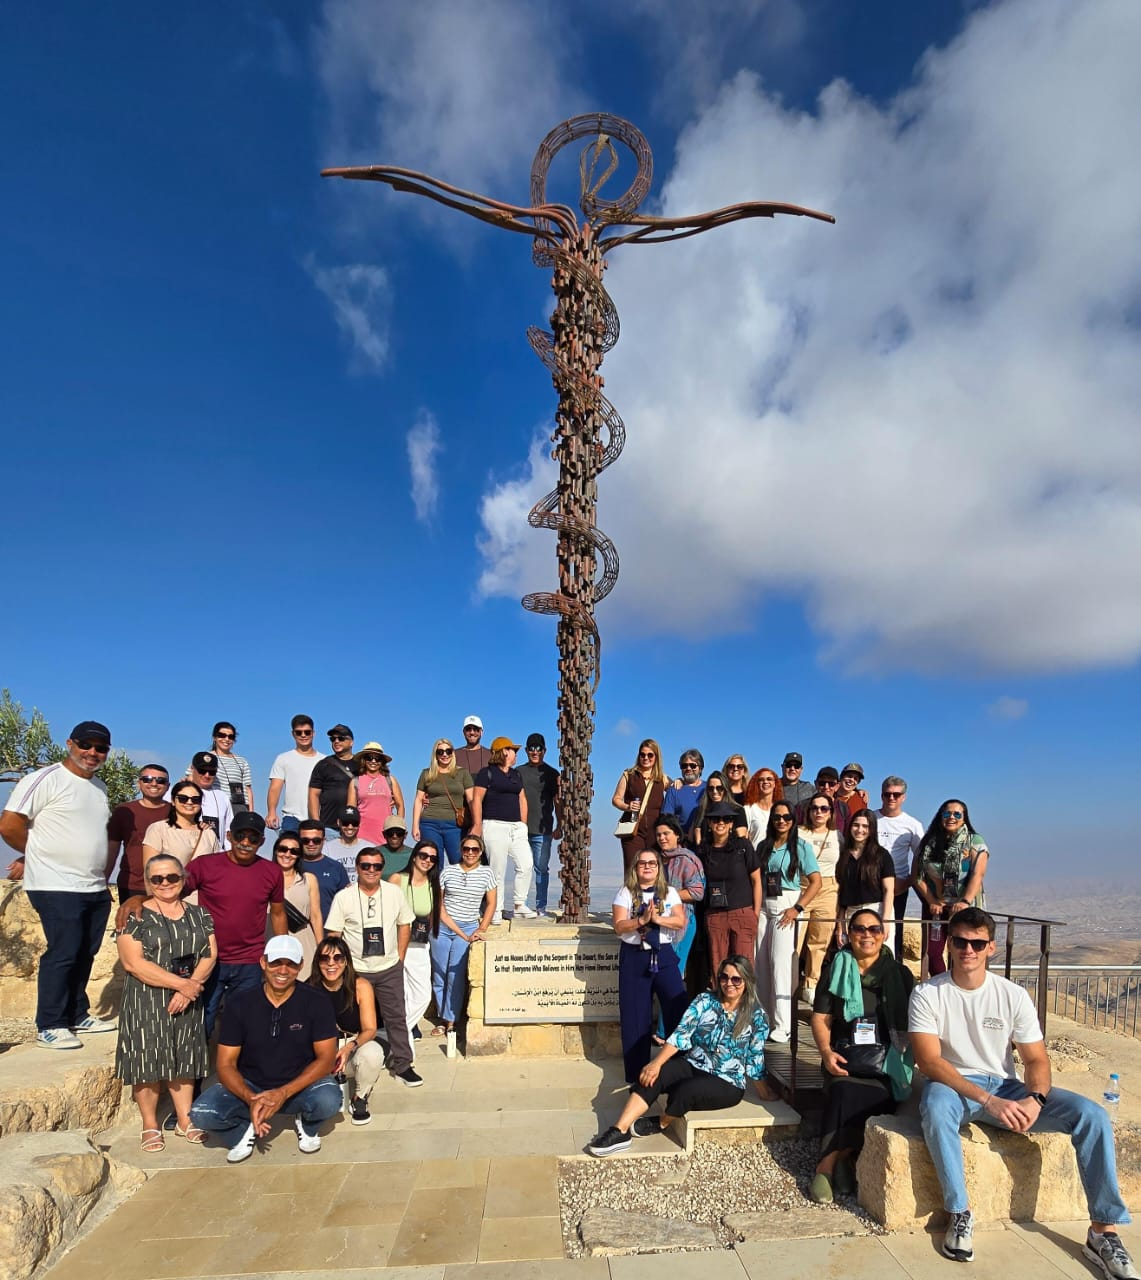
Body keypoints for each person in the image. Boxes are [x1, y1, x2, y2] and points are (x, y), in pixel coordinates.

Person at [910, 908, 1136, 1274]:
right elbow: (929, 1062)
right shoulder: (927, 994)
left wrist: (1035, 1100)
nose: (969, 949)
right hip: (955, 1087)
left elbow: (1036, 1061)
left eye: (977, 943)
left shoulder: (1012, 995)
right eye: (961, 941)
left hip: (1007, 1086)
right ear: (949, 944)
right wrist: (988, 1101)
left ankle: (1103, 1231)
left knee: (1091, 1115)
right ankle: (959, 1212)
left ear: (991, 948)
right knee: (935, 1108)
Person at [1, 720, 118, 1050]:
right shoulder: (44, 779)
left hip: (93, 885)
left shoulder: (99, 787)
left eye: (101, 748)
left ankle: (77, 1013)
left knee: (85, 951)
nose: (92, 753)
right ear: (70, 743)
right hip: (55, 883)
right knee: (64, 950)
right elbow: (10, 825)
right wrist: (34, 855)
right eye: (86, 745)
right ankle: (50, 1023)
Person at [587, 955, 775, 1156]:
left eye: (736, 979)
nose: (729, 983)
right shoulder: (705, 1000)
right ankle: (619, 1131)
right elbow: (680, 1035)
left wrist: (764, 1093)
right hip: (695, 1063)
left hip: (727, 1080)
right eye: (724, 977)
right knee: (652, 1075)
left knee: (686, 1091)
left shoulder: (757, 1016)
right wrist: (656, 1063)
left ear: (747, 981)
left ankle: (661, 1122)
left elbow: (755, 1060)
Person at [189, 935, 341, 1164]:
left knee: (330, 1099)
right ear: (263, 963)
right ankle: (243, 1130)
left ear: (300, 966)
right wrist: (251, 1099)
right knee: (201, 1113)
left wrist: (283, 1093)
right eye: (276, 962)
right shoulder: (240, 1002)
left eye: (290, 964)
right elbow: (225, 1063)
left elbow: (327, 1058)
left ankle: (307, 1122)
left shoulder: (316, 1001)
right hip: (252, 1085)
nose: (283, 970)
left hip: (299, 1084)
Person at [808, 908, 913, 1203]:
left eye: (874, 929)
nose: (867, 935)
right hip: (844, 1056)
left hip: (885, 1063)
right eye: (859, 929)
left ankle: (845, 1158)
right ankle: (826, 1168)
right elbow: (821, 1018)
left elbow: (916, 1019)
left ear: (883, 934)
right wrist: (826, 1053)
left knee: (879, 1098)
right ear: (848, 933)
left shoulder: (899, 975)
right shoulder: (836, 969)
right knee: (842, 1091)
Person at [115, 854, 217, 1151]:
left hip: (188, 998)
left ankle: (185, 1119)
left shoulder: (200, 914)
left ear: (183, 879)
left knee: (185, 1058)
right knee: (146, 1062)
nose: (165, 883)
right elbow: (132, 963)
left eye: (171, 877)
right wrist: (182, 985)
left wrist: (190, 988)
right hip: (147, 999)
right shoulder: (133, 915)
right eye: (157, 879)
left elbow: (210, 954)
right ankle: (149, 1124)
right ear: (148, 882)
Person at [181, 813, 287, 1037]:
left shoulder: (272, 872)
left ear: (262, 842)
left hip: (250, 961)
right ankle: (198, 1071)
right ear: (229, 835)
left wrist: (282, 954)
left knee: (244, 1023)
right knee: (203, 1021)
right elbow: (171, 892)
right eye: (240, 835)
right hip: (209, 959)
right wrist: (138, 900)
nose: (246, 843)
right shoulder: (204, 865)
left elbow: (277, 913)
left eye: (253, 838)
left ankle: (239, 1071)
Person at [324, 847, 422, 1087]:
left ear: (382, 869)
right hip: (355, 970)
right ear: (357, 868)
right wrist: (336, 966)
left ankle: (403, 1065)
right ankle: (336, 1063)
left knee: (396, 1017)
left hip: (388, 967)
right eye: (366, 866)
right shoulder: (344, 897)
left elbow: (405, 924)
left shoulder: (393, 892)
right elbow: (334, 934)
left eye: (376, 866)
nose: (371, 870)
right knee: (346, 1017)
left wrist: (399, 957)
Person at [613, 846, 689, 1084]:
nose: (647, 866)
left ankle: (678, 1067)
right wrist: (641, 921)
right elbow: (619, 925)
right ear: (636, 868)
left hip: (663, 955)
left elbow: (679, 921)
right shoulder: (626, 892)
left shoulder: (669, 893)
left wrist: (657, 919)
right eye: (642, 863)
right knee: (635, 1017)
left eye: (652, 863)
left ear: (659, 868)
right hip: (635, 956)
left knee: (678, 1007)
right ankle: (637, 1077)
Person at [755, 802, 821, 1043]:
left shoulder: (800, 847)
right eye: (777, 817)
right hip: (763, 905)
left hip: (787, 904)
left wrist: (798, 908)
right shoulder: (763, 847)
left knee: (780, 964)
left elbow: (815, 881)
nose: (781, 821)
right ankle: (763, 1020)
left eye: (786, 817)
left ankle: (783, 1024)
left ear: (793, 820)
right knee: (760, 965)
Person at [308, 937, 385, 1126]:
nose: (331, 964)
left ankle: (359, 1098)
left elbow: (370, 1029)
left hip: (351, 1045)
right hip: (321, 1051)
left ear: (346, 961)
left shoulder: (361, 986)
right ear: (318, 962)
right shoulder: (308, 989)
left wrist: (349, 1047)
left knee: (373, 1053)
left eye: (338, 958)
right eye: (325, 959)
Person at [913, 799, 990, 977]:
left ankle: (963, 984)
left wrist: (964, 901)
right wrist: (932, 900)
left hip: (965, 907)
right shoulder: (928, 844)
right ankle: (944, 983)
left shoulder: (974, 841)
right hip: (936, 908)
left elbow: (977, 874)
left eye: (957, 814)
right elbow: (916, 876)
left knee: (964, 950)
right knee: (932, 952)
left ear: (964, 818)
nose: (951, 817)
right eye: (947, 813)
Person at [431, 834, 497, 1037]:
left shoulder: (487, 873)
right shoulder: (448, 871)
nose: (470, 853)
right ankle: (443, 1017)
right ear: (461, 850)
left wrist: (482, 928)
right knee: (439, 974)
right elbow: (439, 902)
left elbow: (491, 903)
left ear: (480, 852)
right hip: (442, 927)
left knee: (455, 975)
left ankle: (451, 1019)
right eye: (466, 849)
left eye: (474, 850)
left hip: (467, 928)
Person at [472, 736, 534, 922]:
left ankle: (519, 904)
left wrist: (523, 824)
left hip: (516, 827)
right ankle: (496, 910)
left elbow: (522, 799)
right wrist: (477, 824)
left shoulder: (516, 775)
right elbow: (477, 799)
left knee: (526, 864)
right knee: (497, 870)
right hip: (494, 825)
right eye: (514, 750)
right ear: (504, 751)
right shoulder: (486, 773)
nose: (516, 754)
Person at [701, 800, 761, 975]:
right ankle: (721, 1002)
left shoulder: (743, 846)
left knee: (743, 966)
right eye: (716, 819)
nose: (721, 823)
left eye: (726, 819)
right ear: (710, 823)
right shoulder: (703, 850)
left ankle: (744, 1003)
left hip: (742, 912)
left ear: (731, 824)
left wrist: (754, 914)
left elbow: (756, 880)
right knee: (718, 967)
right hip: (715, 914)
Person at [390, 840, 441, 1043]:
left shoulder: (432, 884)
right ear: (414, 856)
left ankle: (393, 1034)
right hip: (395, 944)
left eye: (432, 858)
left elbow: (434, 915)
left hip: (418, 945)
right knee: (401, 996)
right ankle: (402, 1044)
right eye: (423, 855)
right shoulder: (397, 879)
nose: (427, 860)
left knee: (422, 996)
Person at [798, 791, 843, 1000]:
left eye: (824, 808)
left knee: (820, 939)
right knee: (794, 940)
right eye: (814, 808)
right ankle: (788, 982)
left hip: (828, 889)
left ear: (830, 812)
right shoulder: (798, 833)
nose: (819, 812)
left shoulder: (837, 836)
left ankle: (811, 984)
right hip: (802, 887)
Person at [875, 776, 925, 960]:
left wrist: (909, 881)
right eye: (888, 794)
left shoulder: (912, 825)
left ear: (903, 797)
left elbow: (922, 857)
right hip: (870, 885)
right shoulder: (871, 818)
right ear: (881, 795)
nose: (891, 798)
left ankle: (894, 971)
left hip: (897, 887)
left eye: (896, 794)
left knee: (893, 931)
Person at [653, 816, 705, 987]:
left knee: (673, 974)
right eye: (659, 834)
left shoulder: (688, 860)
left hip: (682, 923)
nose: (662, 838)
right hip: (658, 924)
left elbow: (697, 892)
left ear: (677, 835)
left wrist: (668, 894)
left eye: (666, 833)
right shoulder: (655, 859)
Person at [107, 764, 171, 903]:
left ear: (167, 785)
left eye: (160, 780)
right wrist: (103, 881)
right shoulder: (124, 811)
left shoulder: (176, 812)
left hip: (169, 885)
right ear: (139, 783)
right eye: (147, 779)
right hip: (132, 885)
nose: (154, 783)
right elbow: (112, 849)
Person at [835, 810, 895, 952]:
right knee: (854, 956)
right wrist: (840, 924)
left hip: (877, 910)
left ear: (872, 829)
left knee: (882, 954)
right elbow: (842, 892)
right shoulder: (843, 856)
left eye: (865, 826)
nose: (860, 830)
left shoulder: (881, 855)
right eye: (856, 825)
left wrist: (885, 921)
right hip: (852, 913)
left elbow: (888, 890)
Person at [268, 833, 323, 981]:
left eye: (294, 851)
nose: (288, 854)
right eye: (283, 849)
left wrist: (320, 947)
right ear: (275, 851)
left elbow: (316, 916)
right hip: (272, 939)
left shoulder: (309, 879)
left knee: (305, 985)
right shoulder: (264, 878)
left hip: (303, 939)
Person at [517, 733, 561, 917]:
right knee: (523, 868)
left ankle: (540, 906)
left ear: (544, 751)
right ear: (526, 751)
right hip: (520, 829)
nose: (535, 752)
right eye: (532, 748)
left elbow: (558, 801)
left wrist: (560, 825)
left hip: (543, 830)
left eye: (538, 748)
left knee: (541, 868)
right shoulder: (518, 772)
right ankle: (522, 906)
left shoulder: (552, 774)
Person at [412, 739, 474, 867]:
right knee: (433, 863)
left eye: (448, 751)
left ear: (453, 753)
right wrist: (415, 825)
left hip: (455, 825)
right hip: (429, 823)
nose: (444, 755)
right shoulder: (426, 774)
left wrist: (476, 823)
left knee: (458, 862)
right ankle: (435, 887)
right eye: (440, 752)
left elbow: (471, 799)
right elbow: (418, 799)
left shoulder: (462, 773)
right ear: (435, 754)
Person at [611, 739, 667, 873]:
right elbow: (616, 799)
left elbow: (675, 794)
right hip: (632, 831)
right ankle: (631, 894)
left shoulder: (662, 778)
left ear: (656, 757)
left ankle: (652, 895)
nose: (646, 758)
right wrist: (627, 806)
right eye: (642, 755)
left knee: (654, 869)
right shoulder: (628, 775)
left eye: (650, 755)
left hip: (655, 832)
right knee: (633, 868)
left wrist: (679, 782)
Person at [141, 781, 216, 876]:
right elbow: (150, 871)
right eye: (183, 799)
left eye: (195, 799)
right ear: (173, 801)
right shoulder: (158, 830)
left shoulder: (208, 833)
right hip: (169, 889)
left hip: (203, 890)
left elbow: (215, 869)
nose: (189, 802)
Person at [267, 715, 324, 832]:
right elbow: (274, 788)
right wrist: (271, 812)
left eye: (307, 732)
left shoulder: (324, 761)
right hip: (292, 818)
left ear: (313, 733)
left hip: (318, 818)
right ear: (293, 734)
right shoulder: (283, 759)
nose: (303, 735)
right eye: (299, 732)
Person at [173, 754, 234, 850]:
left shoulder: (223, 797)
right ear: (192, 769)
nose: (207, 775)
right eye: (202, 771)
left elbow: (229, 830)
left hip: (217, 855)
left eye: (212, 772)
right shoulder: (180, 792)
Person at [348, 741, 404, 844]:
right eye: (369, 758)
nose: (373, 761)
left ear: (382, 761)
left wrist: (397, 828)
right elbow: (351, 811)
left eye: (377, 758)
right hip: (362, 835)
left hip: (386, 835)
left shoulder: (390, 780)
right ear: (364, 760)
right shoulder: (355, 781)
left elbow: (400, 805)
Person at [298, 818, 350, 918]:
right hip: (296, 931)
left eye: (316, 840)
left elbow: (345, 904)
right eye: (305, 840)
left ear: (324, 841)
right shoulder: (290, 866)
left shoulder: (336, 868)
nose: (311, 844)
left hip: (328, 929)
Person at [308, 725, 358, 829]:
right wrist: (317, 825)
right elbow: (313, 795)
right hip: (328, 827)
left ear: (351, 742)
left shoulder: (361, 765)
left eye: (341, 738)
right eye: (333, 739)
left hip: (355, 827)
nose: (336, 741)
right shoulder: (323, 765)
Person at [689, 771, 747, 847]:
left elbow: (742, 838)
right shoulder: (701, 810)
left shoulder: (737, 810)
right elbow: (691, 837)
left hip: (731, 854)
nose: (714, 791)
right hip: (704, 854)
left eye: (719, 788)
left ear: (726, 789)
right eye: (711, 788)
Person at [210, 722, 253, 812]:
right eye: (222, 735)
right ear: (214, 737)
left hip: (240, 806)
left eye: (231, 736)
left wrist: (251, 812)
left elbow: (248, 788)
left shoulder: (242, 761)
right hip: (216, 805)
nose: (226, 739)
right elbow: (191, 778)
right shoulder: (207, 758)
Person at [661, 750, 705, 831]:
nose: (688, 768)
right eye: (684, 765)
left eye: (693, 765)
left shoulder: (709, 788)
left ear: (701, 768)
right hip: (682, 840)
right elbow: (666, 820)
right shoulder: (674, 790)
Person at [322, 807, 369, 880]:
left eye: (354, 824)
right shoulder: (327, 848)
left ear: (359, 824)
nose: (350, 827)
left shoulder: (368, 847)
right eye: (345, 823)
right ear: (338, 822)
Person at [743, 767, 782, 846]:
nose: (765, 782)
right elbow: (744, 839)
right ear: (756, 784)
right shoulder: (748, 809)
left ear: (775, 784)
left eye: (769, 779)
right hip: (756, 856)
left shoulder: (780, 809)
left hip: (776, 856)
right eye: (761, 780)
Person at [454, 715, 491, 780]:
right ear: (464, 732)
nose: (472, 732)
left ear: (481, 732)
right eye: (468, 729)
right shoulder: (454, 755)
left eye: (476, 729)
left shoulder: (491, 755)